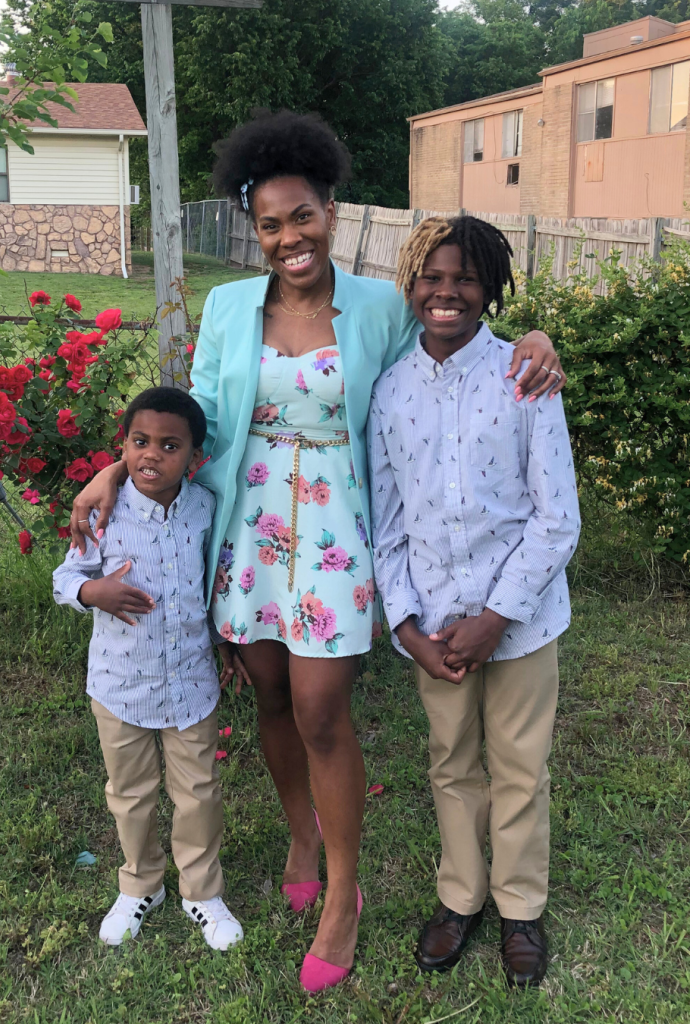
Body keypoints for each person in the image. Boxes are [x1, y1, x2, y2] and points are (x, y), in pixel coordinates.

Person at [69, 111, 566, 992]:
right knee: (267, 691)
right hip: (249, 526)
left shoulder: (379, 303)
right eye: (269, 223)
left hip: (339, 528)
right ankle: (300, 831)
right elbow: (194, 424)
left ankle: (343, 893)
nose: (288, 237)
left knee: (321, 707)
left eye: (301, 216)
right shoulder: (228, 307)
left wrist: (534, 340)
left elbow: (458, 348)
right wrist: (117, 467)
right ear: (252, 230)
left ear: (329, 209)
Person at [369, 215, 581, 986]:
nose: (446, 292)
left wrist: (497, 618)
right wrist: (405, 626)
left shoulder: (523, 377)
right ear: (411, 287)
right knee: (450, 764)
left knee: (520, 768)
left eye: (464, 278)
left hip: (519, 624)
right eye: (432, 277)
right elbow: (383, 525)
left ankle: (520, 908)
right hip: (433, 627)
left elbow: (557, 517)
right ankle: (459, 895)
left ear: (489, 289)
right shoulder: (389, 392)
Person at [53, 387, 249, 951]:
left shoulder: (207, 509)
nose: (152, 456)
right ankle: (140, 882)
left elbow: (216, 581)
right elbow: (64, 580)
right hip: (120, 684)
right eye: (140, 442)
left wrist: (225, 643)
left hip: (191, 682)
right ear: (124, 447)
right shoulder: (103, 512)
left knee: (199, 792)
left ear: (194, 455)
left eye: (169, 445)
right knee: (130, 791)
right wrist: (96, 590)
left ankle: (201, 892)